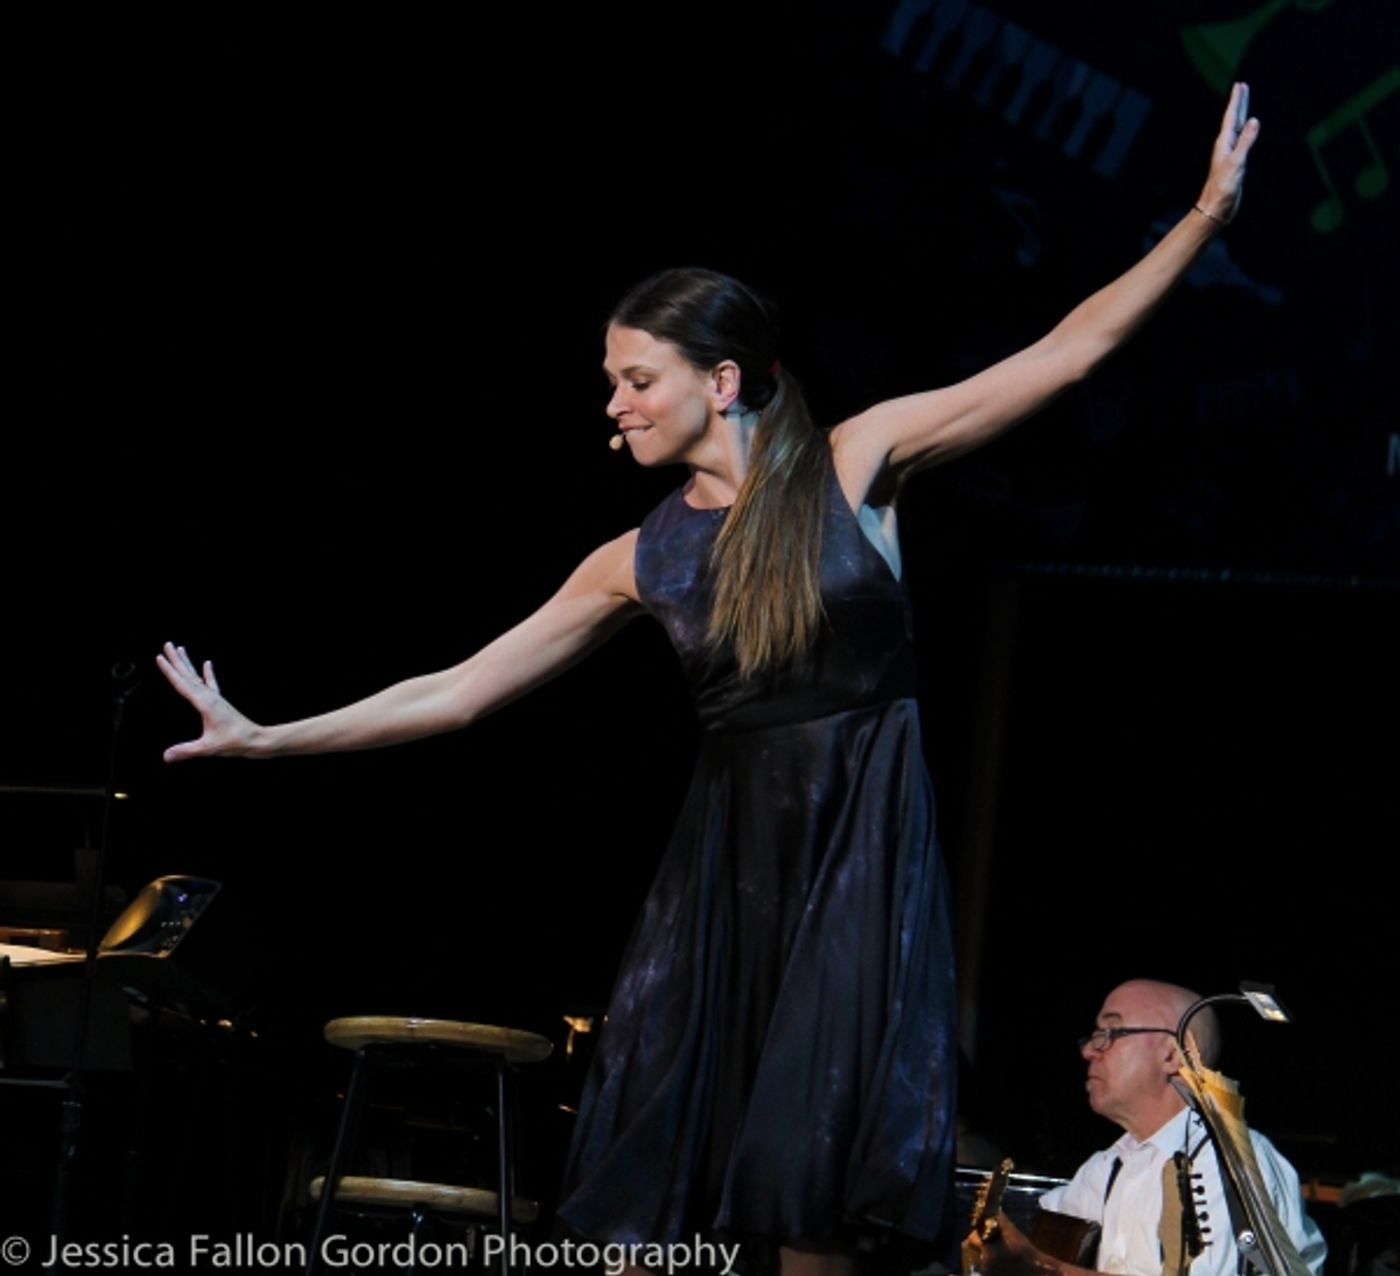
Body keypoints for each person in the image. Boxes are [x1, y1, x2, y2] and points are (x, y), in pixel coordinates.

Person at [157, 86, 1260, 1275]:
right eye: (613, 378)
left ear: (719, 381)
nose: (613, 402)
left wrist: (1199, 217)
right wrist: (267, 736)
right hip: (724, 881)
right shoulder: (638, 557)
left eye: (636, 377)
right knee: (655, 1158)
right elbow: (460, 687)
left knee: (813, 1183)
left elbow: (1066, 350)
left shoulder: (855, 464)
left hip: (856, 861)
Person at [968, 979, 1326, 1276]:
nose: (1089, 1050)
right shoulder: (1107, 1166)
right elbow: (1046, 1244)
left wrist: (1035, 1263)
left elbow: (1042, 1262)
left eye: (1111, 1031)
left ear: (1174, 1054)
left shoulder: (1227, 1161)